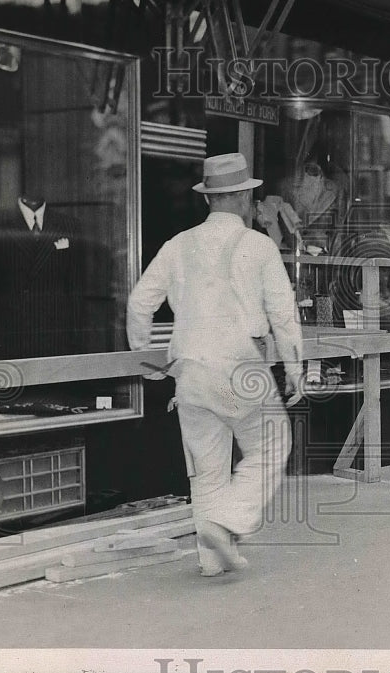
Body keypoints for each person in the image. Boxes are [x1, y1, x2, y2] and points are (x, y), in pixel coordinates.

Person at [127, 153, 303, 576]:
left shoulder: (177, 245)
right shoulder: (258, 246)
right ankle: (228, 522)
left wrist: (149, 364)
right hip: (241, 365)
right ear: (244, 196)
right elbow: (282, 314)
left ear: (210, 198)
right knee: (272, 444)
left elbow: (139, 303)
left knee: (206, 469)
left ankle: (211, 559)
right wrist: (297, 369)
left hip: (189, 370)